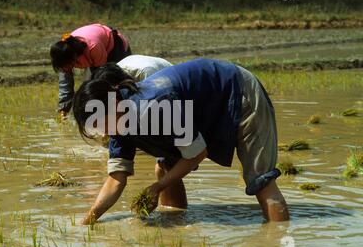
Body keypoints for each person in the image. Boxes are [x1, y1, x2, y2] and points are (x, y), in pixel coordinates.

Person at [72, 58, 290, 224]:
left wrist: (157, 188)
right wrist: (90, 218)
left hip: (238, 91)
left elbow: (197, 153)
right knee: (166, 167)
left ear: (115, 101)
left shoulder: (156, 106)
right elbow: (116, 179)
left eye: (101, 121)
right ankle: (177, 220)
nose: (102, 131)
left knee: (261, 180)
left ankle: (275, 243)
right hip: (205, 109)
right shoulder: (119, 125)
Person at [50, 23, 132, 118]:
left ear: (74, 58)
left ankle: (125, 115)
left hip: (114, 47)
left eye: (66, 67)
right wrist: (63, 108)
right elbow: (65, 83)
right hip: (91, 51)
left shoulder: (93, 48)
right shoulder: (62, 52)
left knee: (117, 84)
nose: (65, 70)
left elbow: (102, 79)